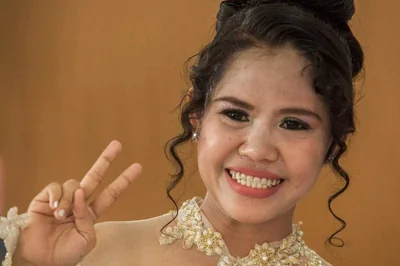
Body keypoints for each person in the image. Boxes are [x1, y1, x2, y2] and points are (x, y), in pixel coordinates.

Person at [1, 0, 364, 265]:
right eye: (235, 114)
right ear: (196, 116)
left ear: (333, 142)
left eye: (293, 124)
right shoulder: (98, 252)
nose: (257, 149)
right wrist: (28, 261)